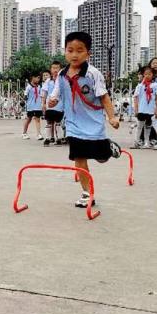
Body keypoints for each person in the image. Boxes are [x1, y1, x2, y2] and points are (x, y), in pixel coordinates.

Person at [46, 31, 121, 209]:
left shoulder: (93, 74)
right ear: (65, 51)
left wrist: (112, 117)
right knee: (79, 158)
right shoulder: (62, 75)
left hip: (93, 123)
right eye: (70, 50)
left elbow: (104, 97)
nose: (74, 55)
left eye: (79, 51)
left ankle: (108, 148)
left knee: (101, 157)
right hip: (73, 124)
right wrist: (52, 101)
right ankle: (87, 193)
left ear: (88, 53)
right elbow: (55, 95)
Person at [132, 66, 157, 149]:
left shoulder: (155, 85)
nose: (147, 76)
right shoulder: (140, 86)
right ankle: (138, 142)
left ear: (153, 75)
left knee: (156, 126)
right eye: (145, 74)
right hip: (142, 110)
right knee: (140, 126)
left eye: (149, 74)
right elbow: (136, 97)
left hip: (151, 110)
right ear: (143, 75)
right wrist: (136, 109)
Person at [43, 60, 65, 145]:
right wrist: (43, 104)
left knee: (58, 122)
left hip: (60, 105)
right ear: (51, 69)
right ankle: (48, 138)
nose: (55, 70)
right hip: (50, 105)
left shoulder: (63, 80)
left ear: (60, 69)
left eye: (57, 68)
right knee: (49, 122)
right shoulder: (48, 81)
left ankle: (59, 138)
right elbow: (44, 93)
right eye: (53, 68)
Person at [22, 72, 46, 140]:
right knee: (28, 119)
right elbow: (25, 95)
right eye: (37, 78)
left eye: (39, 78)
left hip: (37, 106)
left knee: (37, 119)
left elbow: (41, 95)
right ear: (33, 77)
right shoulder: (29, 87)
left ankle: (38, 134)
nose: (38, 79)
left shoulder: (39, 86)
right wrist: (24, 99)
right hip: (30, 106)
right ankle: (24, 133)